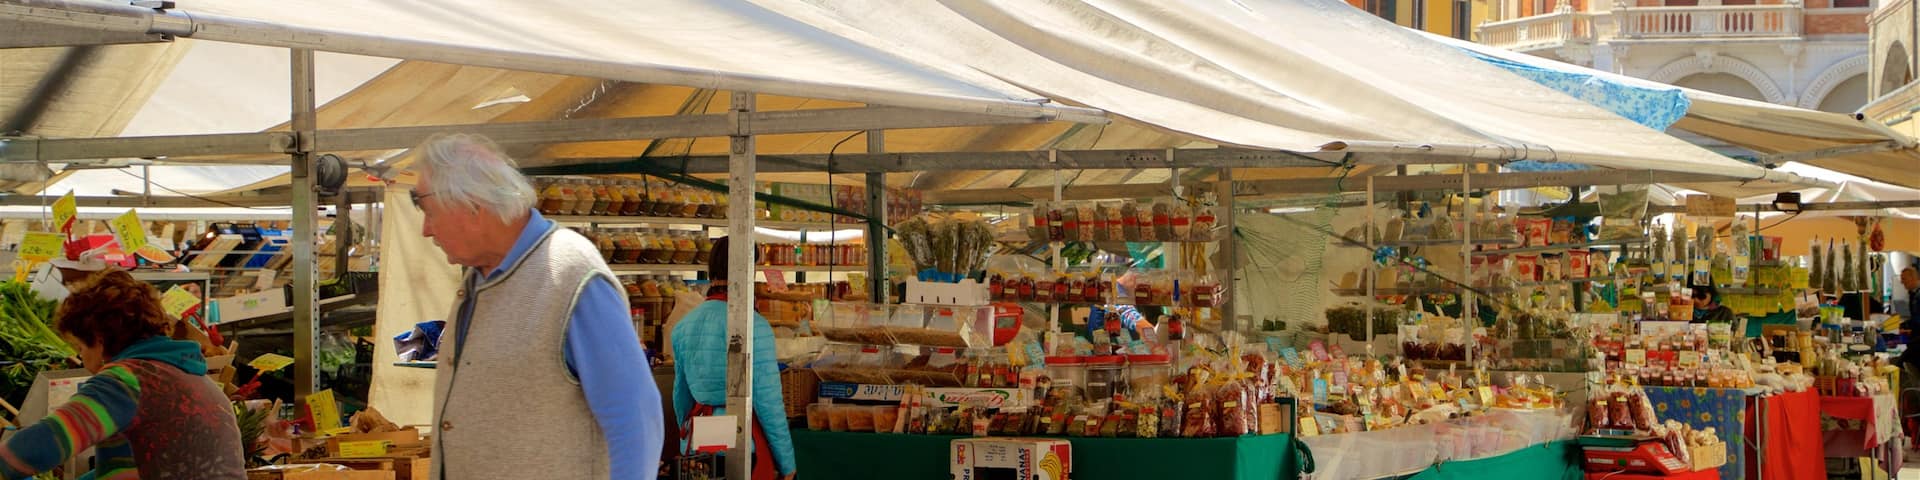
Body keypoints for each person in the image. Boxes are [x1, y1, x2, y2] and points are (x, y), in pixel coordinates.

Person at [411, 133, 663, 480]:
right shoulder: (477, 279)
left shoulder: (569, 273)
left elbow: (635, 414)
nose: (426, 230)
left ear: (471, 206)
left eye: (430, 213)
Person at [0, 270, 245, 479]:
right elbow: (130, 466)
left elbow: (27, 453)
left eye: (80, 348)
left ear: (98, 338)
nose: (82, 358)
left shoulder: (128, 380)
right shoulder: (190, 375)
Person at [672, 236, 797, 480]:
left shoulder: (684, 325)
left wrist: (686, 435)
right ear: (748, 268)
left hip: (698, 444)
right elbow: (768, 402)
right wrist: (788, 464)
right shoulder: (753, 325)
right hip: (743, 444)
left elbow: (681, 395)